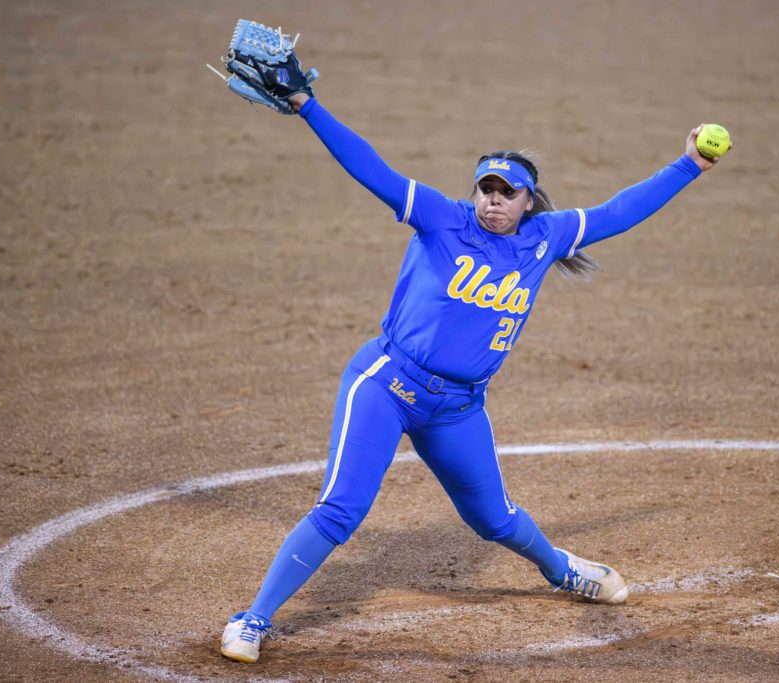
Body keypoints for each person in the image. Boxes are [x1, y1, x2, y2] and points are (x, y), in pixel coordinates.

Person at [219, 85, 728, 664]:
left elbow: (620, 211)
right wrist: (308, 106)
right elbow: (370, 167)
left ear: (527, 201)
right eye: (486, 189)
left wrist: (690, 164)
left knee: (495, 519)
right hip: (386, 386)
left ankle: (563, 570)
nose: (493, 201)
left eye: (506, 193)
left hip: (457, 408)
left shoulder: (546, 237)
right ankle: (252, 618)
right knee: (342, 509)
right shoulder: (441, 218)